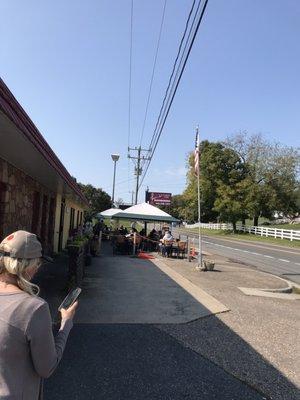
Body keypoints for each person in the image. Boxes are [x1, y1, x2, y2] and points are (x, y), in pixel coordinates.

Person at [0, 231, 78, 399]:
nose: (37, 268)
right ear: (27, 265)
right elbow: (47, 367)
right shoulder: (33, 308)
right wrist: (66, 324)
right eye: (38, 263)